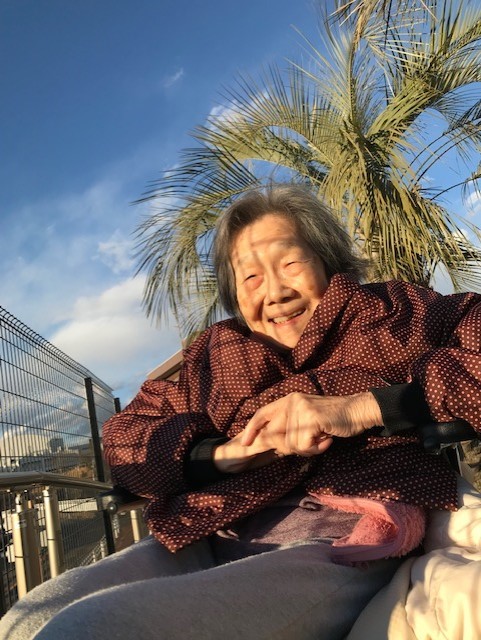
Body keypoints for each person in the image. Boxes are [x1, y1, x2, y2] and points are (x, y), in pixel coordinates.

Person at [1, 184, 481, 640]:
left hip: (345, 539)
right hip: (208, 529)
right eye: (250, 277)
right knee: (28, 619)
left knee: (93, 628)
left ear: (328, 261)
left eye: (290, 263)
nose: (275, 292)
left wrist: (365, 407)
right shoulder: (212, 353)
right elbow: (127, 440)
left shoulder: (392, 312)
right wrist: (220, 456)